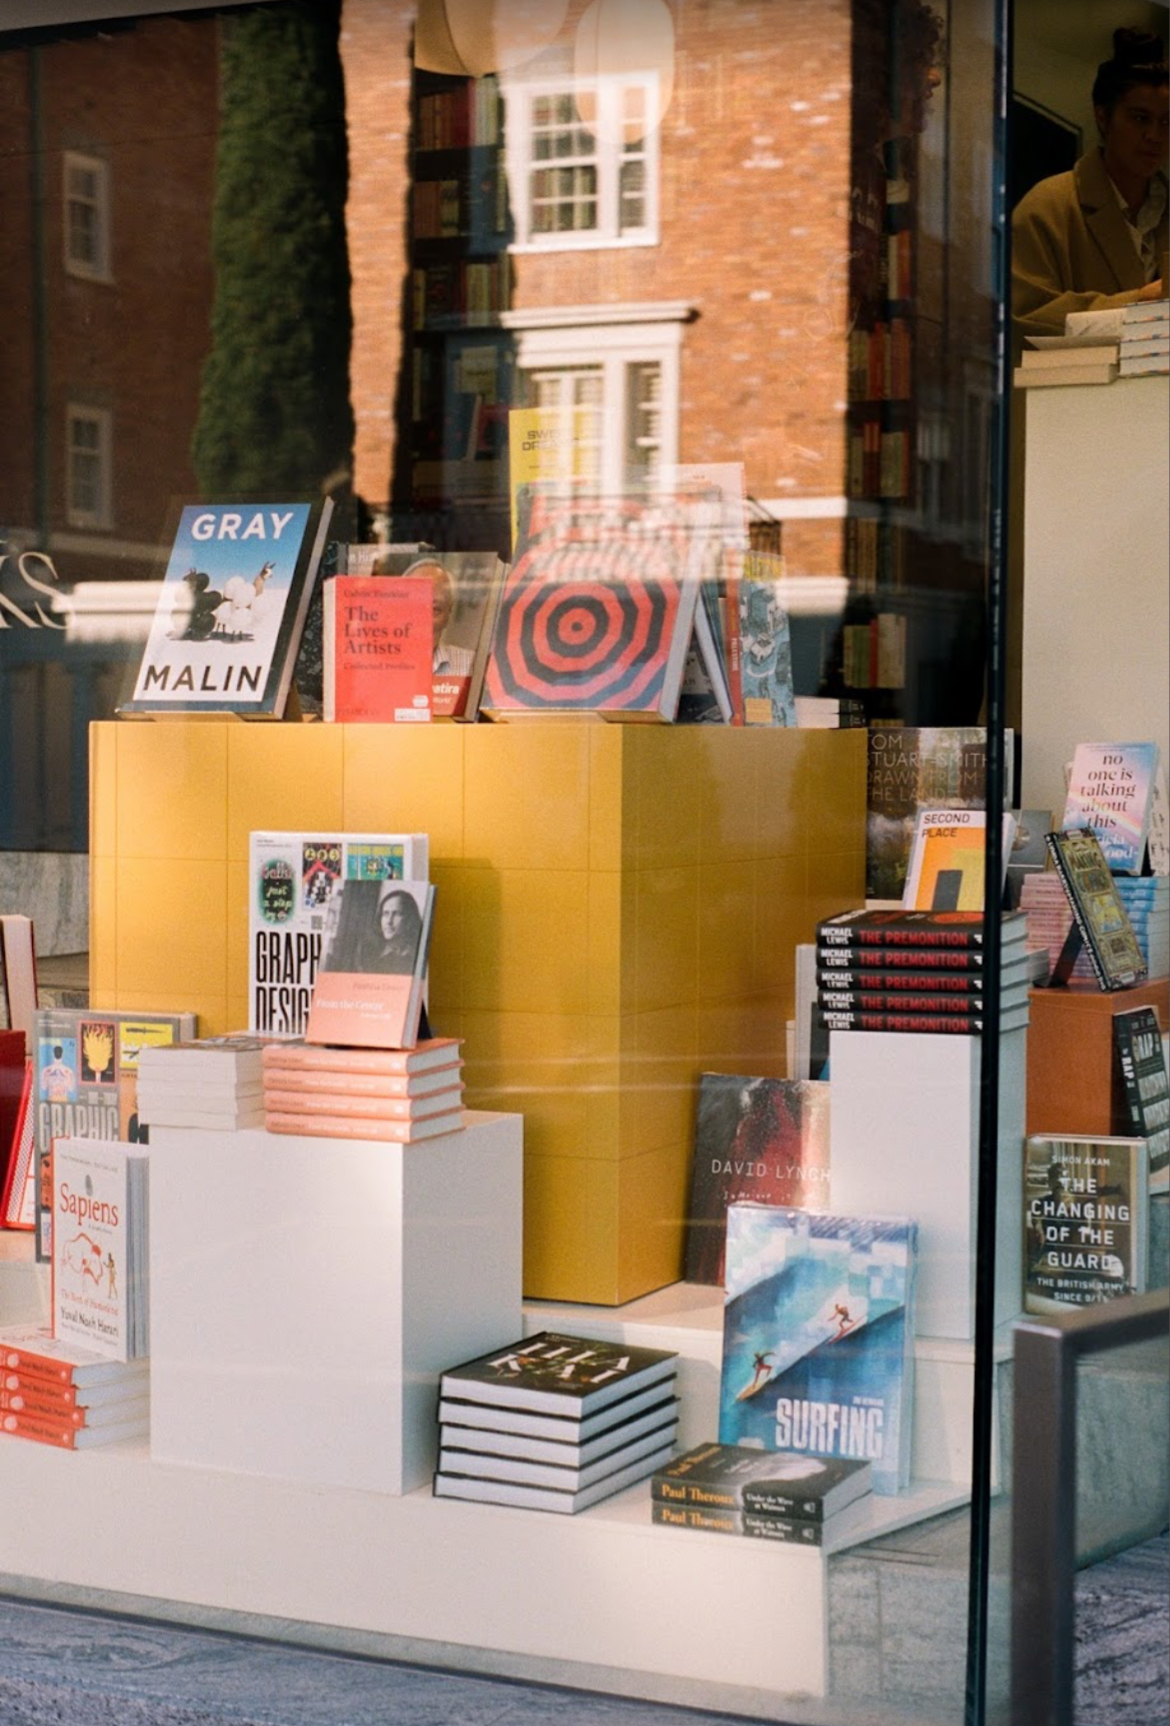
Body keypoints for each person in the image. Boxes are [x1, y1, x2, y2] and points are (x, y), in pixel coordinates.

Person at [1012, 28, 1168, 340]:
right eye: (1139, 118)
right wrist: (1142, 300)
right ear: (1102, 117)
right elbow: (1026, 317)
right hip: (1076, 386)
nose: (1154, 135)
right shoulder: (1048, 207)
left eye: (1167, 121)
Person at [402, 558, 475, 678]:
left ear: (448, 615)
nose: (423, 620)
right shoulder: (371, 665)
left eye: (435, 609)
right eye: (415, 606)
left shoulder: (470, 665)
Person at [366, 885, 424, 975]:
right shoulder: (370, 953)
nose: (389, 921)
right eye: (385, 914)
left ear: (409, 919)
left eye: (396, 914)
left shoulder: (416, 956)